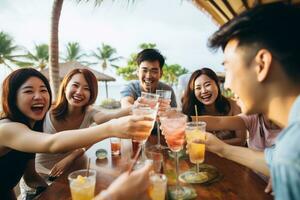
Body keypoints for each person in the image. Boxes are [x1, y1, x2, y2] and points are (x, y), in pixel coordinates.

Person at [194, 3, 300, 199]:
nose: (228, 85)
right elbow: (272, 160)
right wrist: (222, 148)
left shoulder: (291, 153)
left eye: (228, 67)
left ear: (261, 65)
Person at [0, 68, 152, 199]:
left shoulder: (31, 125)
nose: (38, 96)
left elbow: (26, 176)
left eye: (43, 90)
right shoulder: (7, 129)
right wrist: (111, 128)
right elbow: (52, 142)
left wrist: (49, 192)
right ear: (12, 97)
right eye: (29, 91)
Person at [182, 68, 246, 146]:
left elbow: (241, 140)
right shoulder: (190, 110)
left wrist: (214, 145)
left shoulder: (234, 106)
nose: (204, 91)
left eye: (207, 85)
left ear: (217, 84)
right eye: (198, 88)